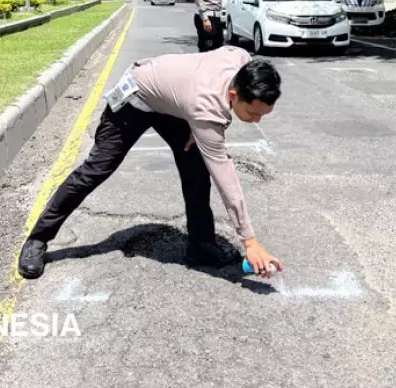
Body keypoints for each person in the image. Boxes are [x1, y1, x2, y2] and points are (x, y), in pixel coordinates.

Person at [18, 46, 285, 280]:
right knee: (96, 169)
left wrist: (197, 122)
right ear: (234, 93)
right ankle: (38, 239)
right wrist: (250, 242)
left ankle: (201, 245)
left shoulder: (240, 59)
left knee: (195, 167)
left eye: (264, 114)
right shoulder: (205, 108)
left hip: (175, 103)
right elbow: (228, 182)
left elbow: (216, 80)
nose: (257, 120)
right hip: (136, 96)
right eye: (253, 113)